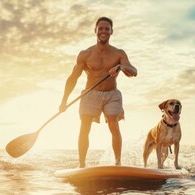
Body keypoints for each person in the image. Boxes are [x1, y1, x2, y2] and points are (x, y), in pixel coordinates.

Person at [59, 16, 138, 168]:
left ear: (111, 32)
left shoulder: (119, 53)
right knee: (85, 126)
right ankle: (82, 165)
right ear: (95, 31)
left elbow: (134, 71)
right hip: (91, 92)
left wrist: (121, 67)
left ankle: (117, 163)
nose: (103, 31)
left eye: (106, 29)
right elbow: (72, 78)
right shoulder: (85, 54)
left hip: (112, 94)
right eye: (100, 28)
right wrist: (64, 101)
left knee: (113, 123)